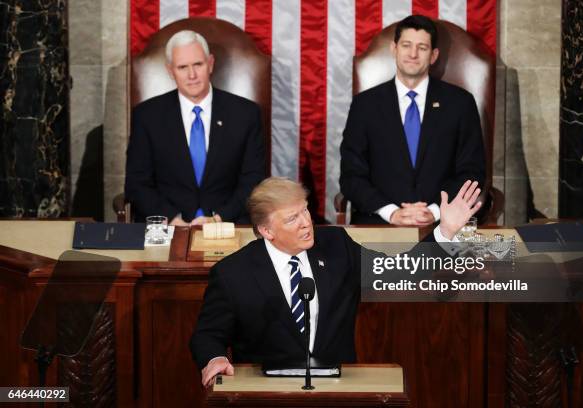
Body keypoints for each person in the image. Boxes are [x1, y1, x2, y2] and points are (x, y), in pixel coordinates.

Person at [190, 176, 482, 387]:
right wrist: (214, 358)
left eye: (305, 210)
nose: (306, 222)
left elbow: (398, 271)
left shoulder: (336, 246)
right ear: (267, 230)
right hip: (267, 391)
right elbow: (207, 335)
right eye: (292, 218)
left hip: (337, 388)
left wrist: (444, 231)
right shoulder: (233, 273)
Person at [340, 15, 485, 226]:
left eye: (422, 47)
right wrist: (391, 213)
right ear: (394, 49)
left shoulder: (460, 103)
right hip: (379, 224)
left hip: (443, 224)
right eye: (406, 45)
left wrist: (436, 211)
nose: (413, 54)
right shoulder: (365, 106)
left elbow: (472, 172)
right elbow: (351, 176)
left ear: (434, 55)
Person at [125, 30, 265, 225]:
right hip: (168, 226)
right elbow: (137, 183)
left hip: (227, 223)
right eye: (182, 67)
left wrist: (218, 218)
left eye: (198, 64)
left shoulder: (245, 114)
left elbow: (254, 180)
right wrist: (172, 219)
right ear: (170, 71)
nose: (192, 75)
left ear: (210, 64)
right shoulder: (147, 116)